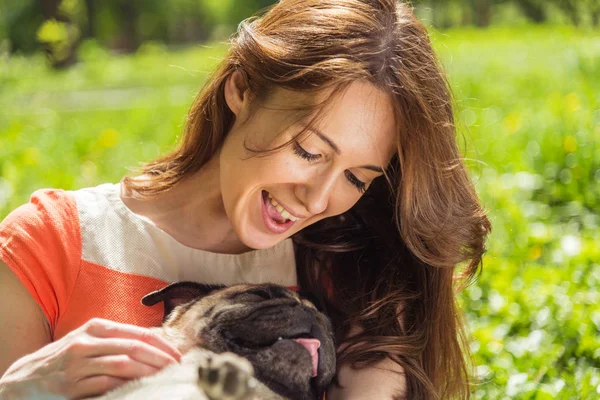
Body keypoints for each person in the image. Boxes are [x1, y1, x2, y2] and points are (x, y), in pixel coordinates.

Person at [0, 0, 491, 399]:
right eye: (308, 150)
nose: (318, 198)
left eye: (357, 179)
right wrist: (21, 390)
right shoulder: (52, 243)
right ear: (243, 88)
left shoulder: (345, 272)